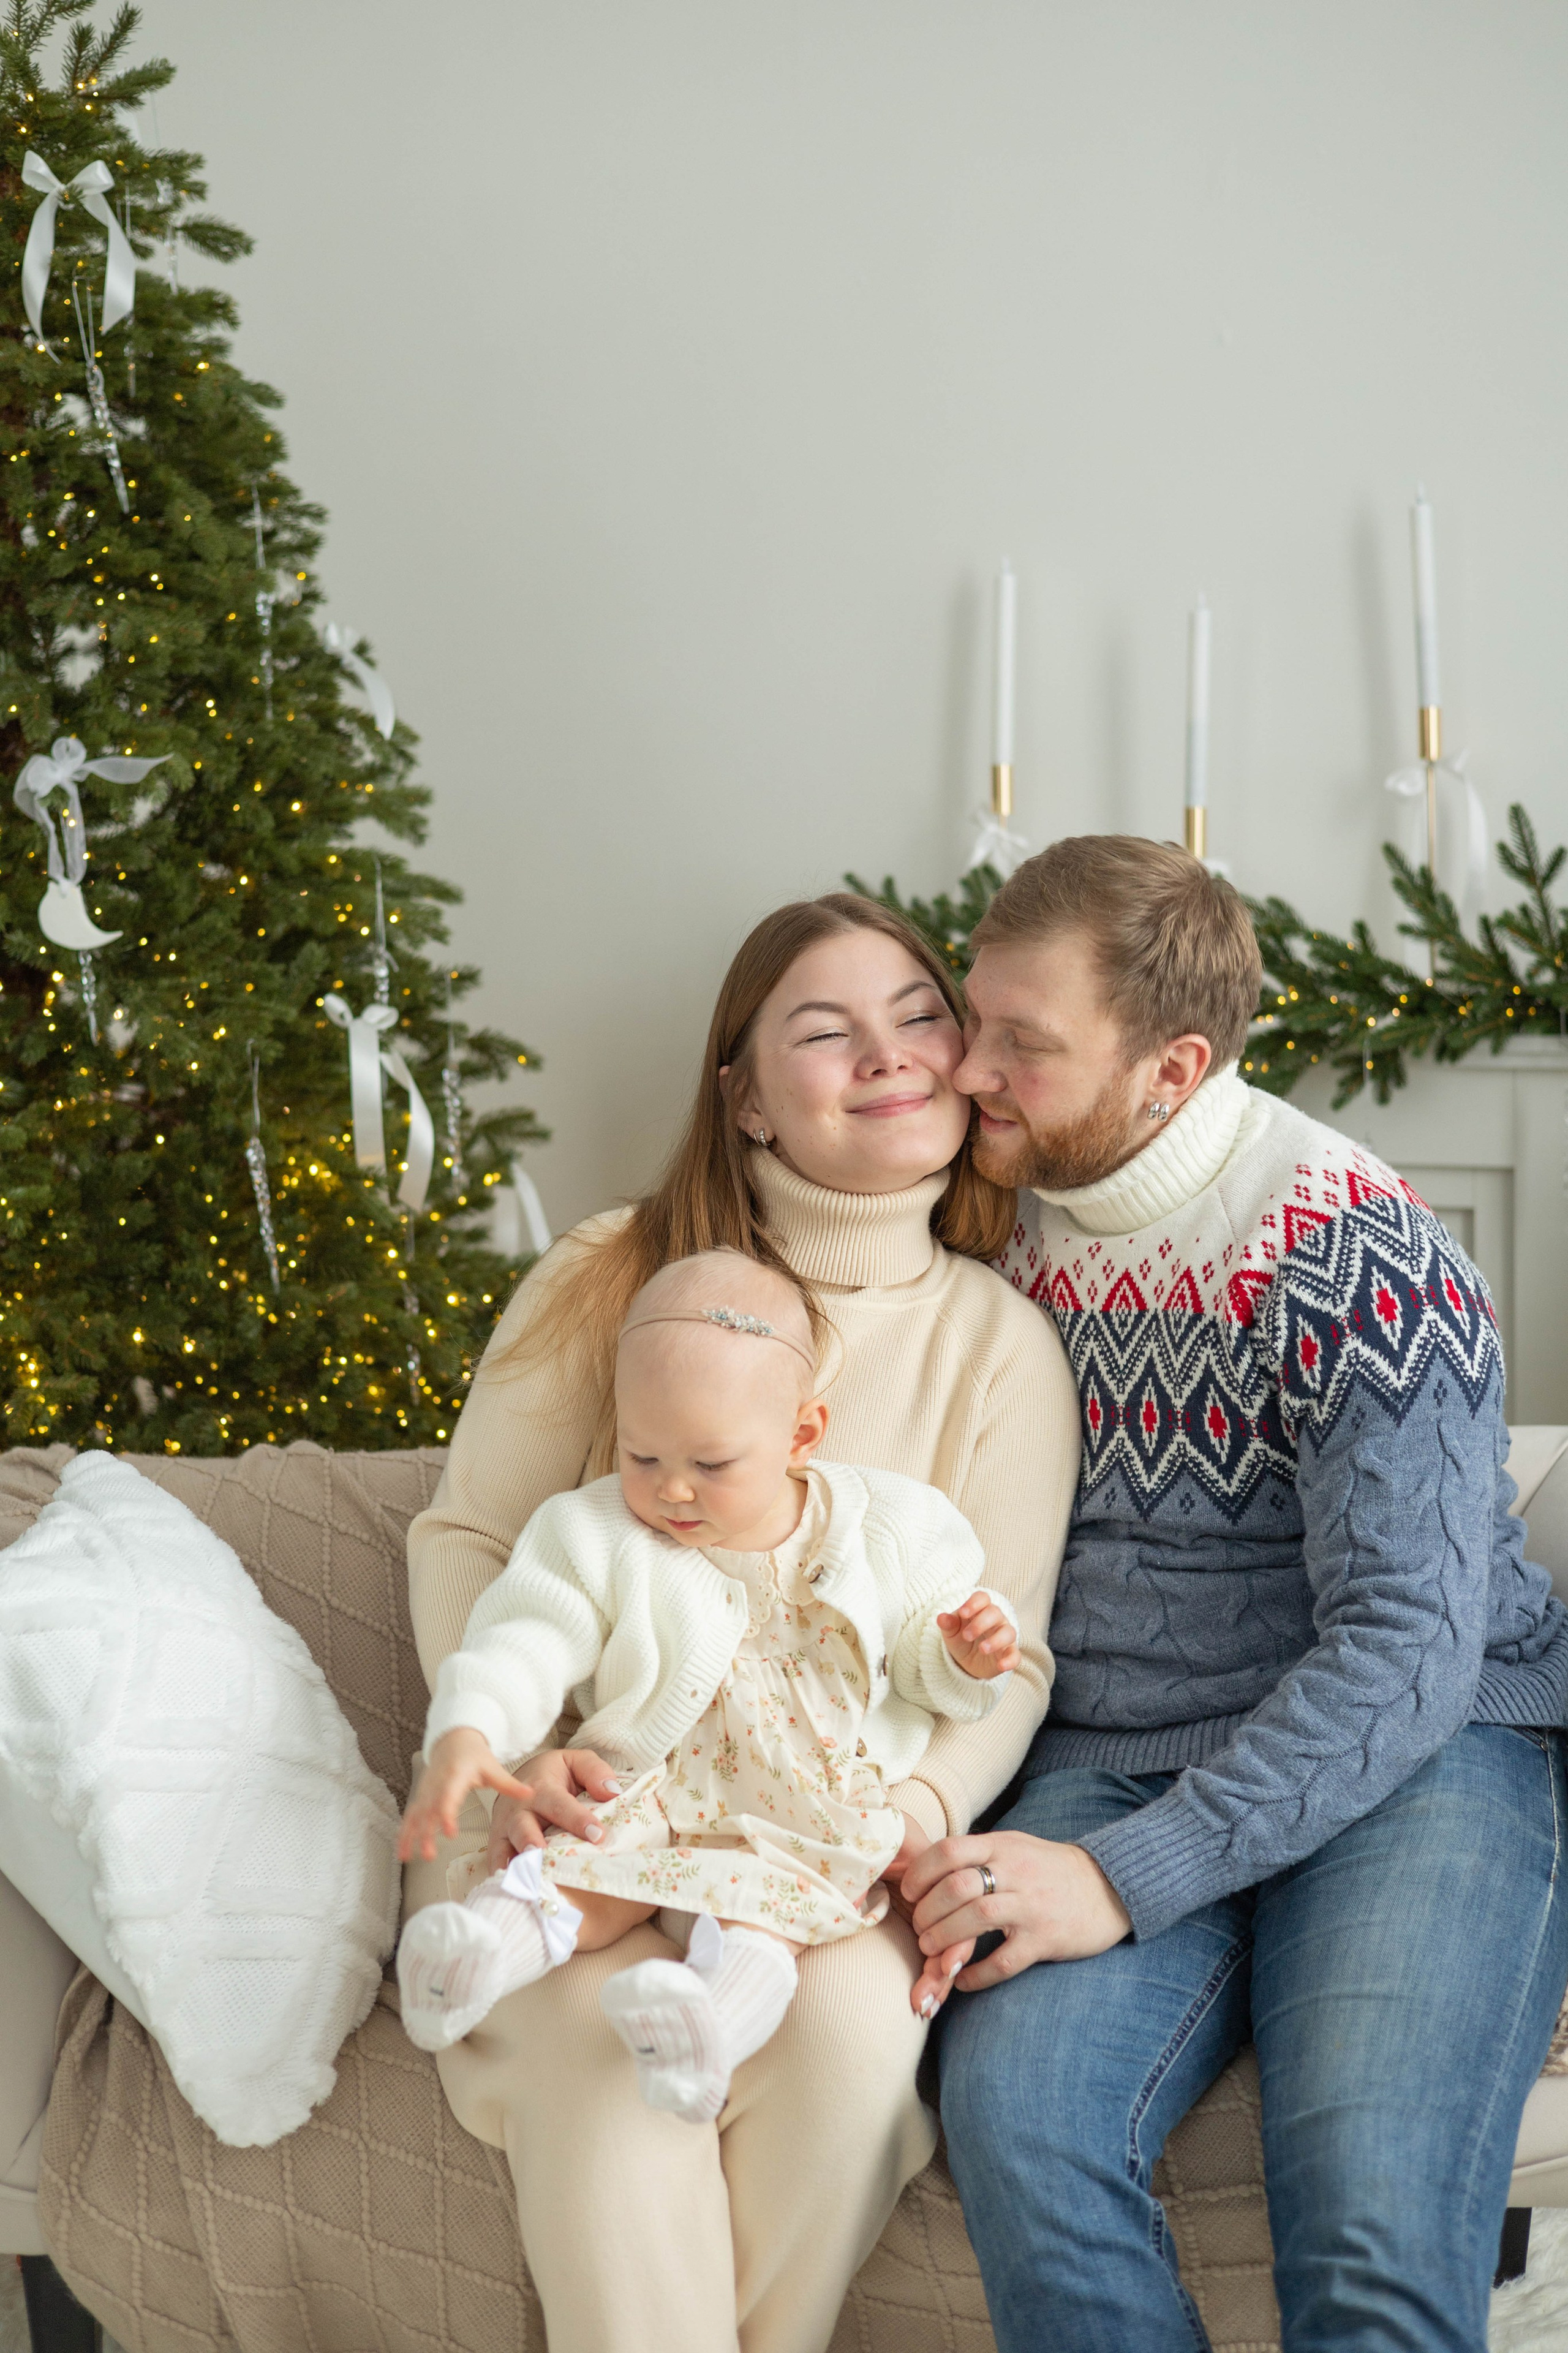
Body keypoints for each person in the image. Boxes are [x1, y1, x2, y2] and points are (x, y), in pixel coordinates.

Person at [907, 833, 1568, 2353]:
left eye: (1023, 1043)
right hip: (1108, 1750)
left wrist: (1122, 1877)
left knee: (1369, 2215)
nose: (967, 1071)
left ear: (1171, 1067)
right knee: (1019, 2129)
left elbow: (1406, 1648)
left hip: (1425, 1748)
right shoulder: (983, 1221)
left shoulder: (1350, 1251)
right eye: (971, 1017)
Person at [404, 892, 1081, 2353]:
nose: (887, 1054)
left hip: (812, 1844)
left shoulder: (1000, 1346)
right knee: (607, 2072)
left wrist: (910, 1814)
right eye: (825, 1032)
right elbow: (470, 1539)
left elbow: (1006, 1651)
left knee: (846, 2040)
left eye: (918, 1016)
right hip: (573, 1815)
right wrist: (521, 1756)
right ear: (746, 1097)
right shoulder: (612, 1271)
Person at [397, 1249, 1017, 2094]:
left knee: (769, 1914)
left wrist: (962, 1656)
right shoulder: (597, 1532)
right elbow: (530, 1635)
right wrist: (474, 1725)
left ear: (801, 1434)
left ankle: (705, 2032)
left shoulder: (889, 1527)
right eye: (643, 1456)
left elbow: (918, 1661)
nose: (673, 1492)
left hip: (808, 1805)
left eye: (711, 1465)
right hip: (651, 1784)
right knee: (573, 1862)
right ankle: (473, 1961)